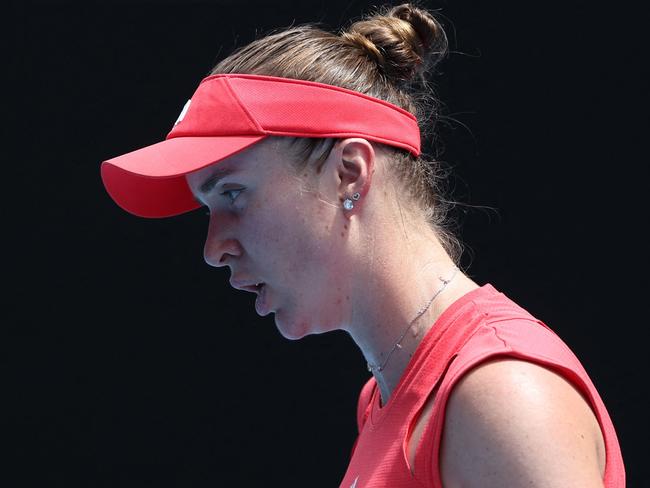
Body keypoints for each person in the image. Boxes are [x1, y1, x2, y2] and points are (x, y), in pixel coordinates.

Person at [100, 3, 625, 487]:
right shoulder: (387, 396)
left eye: (233, 192)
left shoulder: (499, 392)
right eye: (207, 208)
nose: (213, 249)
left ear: (350, 173)